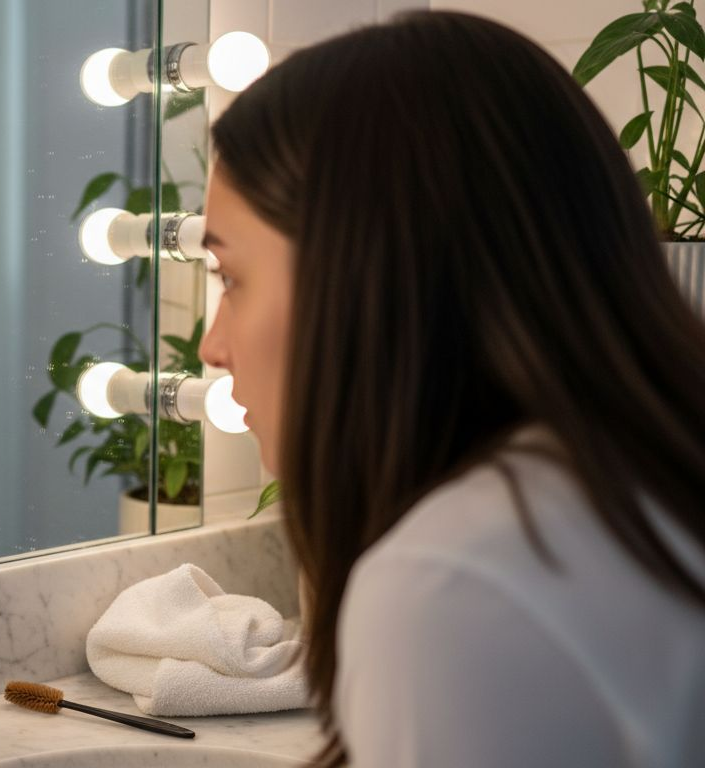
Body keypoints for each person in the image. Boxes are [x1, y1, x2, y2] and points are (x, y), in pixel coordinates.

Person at [199, 11, 705, 767]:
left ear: (367, 274)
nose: (212, 348)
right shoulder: (638, 485)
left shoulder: (452, 590)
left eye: (230, 277)